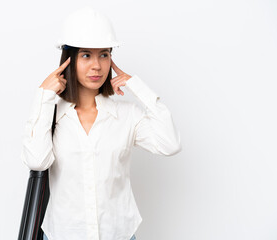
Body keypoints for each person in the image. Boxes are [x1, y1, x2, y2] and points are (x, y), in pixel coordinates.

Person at [21, 6, 182, 240]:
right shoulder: (52, 115)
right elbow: (37, 161)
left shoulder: (127, 115)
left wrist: (137, 87)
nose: (97, 65)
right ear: (69, 59)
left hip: (118, 235)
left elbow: (170, 144)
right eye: (86, 55)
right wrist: (43, 96)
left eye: (104, 54)